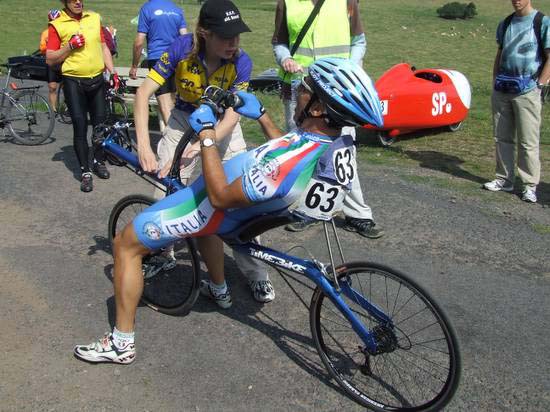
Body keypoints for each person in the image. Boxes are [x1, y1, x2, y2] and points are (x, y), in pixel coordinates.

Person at [73, 57, 384, 364]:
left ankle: (120, 343)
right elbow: (287, 149)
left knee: (126, 244)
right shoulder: (328, 142)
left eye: (304, 87)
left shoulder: (284, 166)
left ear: (317, 108)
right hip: (239, 211)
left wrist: (207, 135)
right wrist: (261, 116)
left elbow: (221, 196)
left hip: (215, 207)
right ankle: (219, 288)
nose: (297, 90)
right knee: (203, 227)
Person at [133, 0, 275, 305]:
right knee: (164, 192)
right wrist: (144, 146)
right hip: (183, 119)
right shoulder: (181, 49)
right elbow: (144, 93)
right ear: (204, 33)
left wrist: (200, 147)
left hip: (222, 125)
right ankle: (162, 252)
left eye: (237, 35)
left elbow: (232, 118)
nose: (233, 43)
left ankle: (257, 274)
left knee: (243, 200)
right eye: (225, 36)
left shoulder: (241, 62)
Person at [272, 0, 383, 238]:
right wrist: (284, 60)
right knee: (303, 152)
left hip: (338, 92)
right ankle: (306, 209)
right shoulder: (287, 2)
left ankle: (358, 215)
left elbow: (359, 42)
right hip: (301, 90)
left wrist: (349, 69)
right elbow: (280, 42)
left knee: (343, 154)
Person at [46, 0, 117, 193]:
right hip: (73, 82)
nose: (78, 2)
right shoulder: (57, 24)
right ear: (64, 2)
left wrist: (113, 71)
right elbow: (50, 58)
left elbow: (103, 47)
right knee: (80, 126)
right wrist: (69, 46)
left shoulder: (94, 18)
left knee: (100, 126)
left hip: (96, 80)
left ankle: (98, 161)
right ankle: (85, 172)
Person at [483, 0, 549, 203]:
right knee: (501, 137)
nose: (517, 0)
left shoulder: (542, 22)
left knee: (528, 141)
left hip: (528, 90)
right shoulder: (506, 23)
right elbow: (500, 52)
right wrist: (494, 81)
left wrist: (540, 85)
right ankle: (504, 179)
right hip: (502, 88)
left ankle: (529, 186)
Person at [129, 0, 187, 127]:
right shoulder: (176, 9)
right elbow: (185, 37)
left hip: (158, 60)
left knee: (165, 105)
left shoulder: (147, 8)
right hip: (178, 59)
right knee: (175, 103)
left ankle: (175, 142)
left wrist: (134, 66)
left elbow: (139, 42)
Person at [39, 9, 62, 114]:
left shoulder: (64, 31)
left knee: (68, 86)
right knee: (52, 87)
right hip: (51, 62)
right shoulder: (45, 33)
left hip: (63, 61)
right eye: (51, 20)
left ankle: (68, 106)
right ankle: (53, 110)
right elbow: (42, 48)